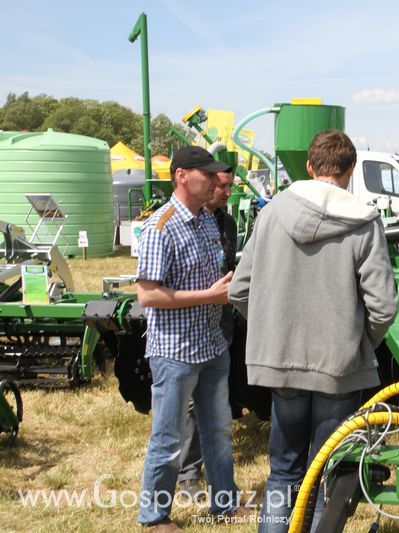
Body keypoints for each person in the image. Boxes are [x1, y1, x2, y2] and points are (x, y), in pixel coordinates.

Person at [228, 130, 398, 532]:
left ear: (308, 166)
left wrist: (273, 329)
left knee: (283, 472)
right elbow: (384, 307)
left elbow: (239, 290)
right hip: (338, 369)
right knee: (325, 477)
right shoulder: (363, 222)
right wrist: (357, 344)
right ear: (351, 169)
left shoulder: (270, 213)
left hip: (279, 361)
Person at [136, 147, 240, 532]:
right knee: (168, 438)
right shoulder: (160, 227)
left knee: (219, 431)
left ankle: (225, 505)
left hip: (212, 345)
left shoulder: (208, 222)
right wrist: (211, 296)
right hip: (176, 352)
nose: (215, 181)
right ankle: (154, 517)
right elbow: (147, 296)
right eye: (207, 174)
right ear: (181, 175)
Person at [176, 170, 237, 501]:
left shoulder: (227, 224)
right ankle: (187, 475)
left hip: (220, 326)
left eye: (230, 186)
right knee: (189, 406)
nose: (226, 191)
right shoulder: (186, 222)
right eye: (220, 185)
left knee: (215, 404)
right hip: (190, 327)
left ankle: (218, 485)